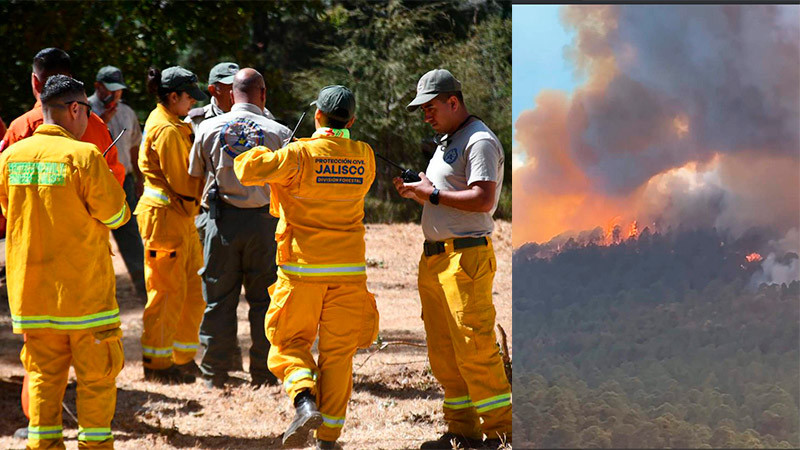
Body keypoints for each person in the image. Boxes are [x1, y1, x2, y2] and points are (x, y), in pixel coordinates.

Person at [233, 85, 379, 449]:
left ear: (317, 116)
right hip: (349, 273)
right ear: (353, 119)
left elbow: (247, 170)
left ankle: (303, 399)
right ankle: (328, 438)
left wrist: (272, 151)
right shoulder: (364, 155)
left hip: (302, 272)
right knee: (339, 355)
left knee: (287, 342)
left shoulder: (298, 155)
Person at [0, 46, 126, 442]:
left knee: (41, 379)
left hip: (32, 296)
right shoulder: (85, 155)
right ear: (74, 109)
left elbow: (9, 207)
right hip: (83, 295)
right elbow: (116, 214)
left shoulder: (11, 154)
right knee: (96, 378)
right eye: (86, 112)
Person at [394, 69, 511, 449]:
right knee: (444, 352)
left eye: (430, 107)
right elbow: (440, 193)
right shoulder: (449, 141)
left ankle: (502, 432)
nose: (426, 114)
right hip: (435, 261)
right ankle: (461, 432)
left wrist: (431, 196)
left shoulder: (480, 142)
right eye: (422, 109)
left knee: (474, 348)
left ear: (453, 102)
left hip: (465, 258)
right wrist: (418, 193)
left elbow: (484, 200)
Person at [188, 68, 290, 388]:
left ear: (231, 95)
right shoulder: (280, 132)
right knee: (265, 300)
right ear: (263, 93)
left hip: (222, 223)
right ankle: (263, 371)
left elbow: (195, 173)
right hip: (265, 225)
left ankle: (214, 373)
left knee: (218, 299)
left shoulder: (208, 128)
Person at [136, 66, 207, 384]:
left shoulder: (174, 123)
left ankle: (181, 356)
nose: (192, 102)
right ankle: (157, 362)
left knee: (193, 289)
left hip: (181, 218)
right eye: (189, 96)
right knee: (165, 291)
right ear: (173, 96)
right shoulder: (165, 129)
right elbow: (182, 180)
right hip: (166, 218)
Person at [0, 48, 125, 186]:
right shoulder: (96, 124)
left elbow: (5, 182)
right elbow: (114, 179)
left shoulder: (22, 127)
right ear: (69, 80)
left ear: (35, 81)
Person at [89, 65, 146, 297]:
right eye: (110, 90)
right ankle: (94, 290)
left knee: (131, 234)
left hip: (124, 180)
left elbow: (134, 146)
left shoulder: (127, 112)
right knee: (92, 234)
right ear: (98, 87)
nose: (115, 95)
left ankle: (143, 289)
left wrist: (139, 178)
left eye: (119, 90)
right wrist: (102, 119)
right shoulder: (84, 109)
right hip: (93, 181)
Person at [186, 62, 277, 130]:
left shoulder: (263, 114)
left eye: (239, 86)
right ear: (212, 90)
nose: (237, 92)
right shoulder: (196, 120)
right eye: (232, 87)